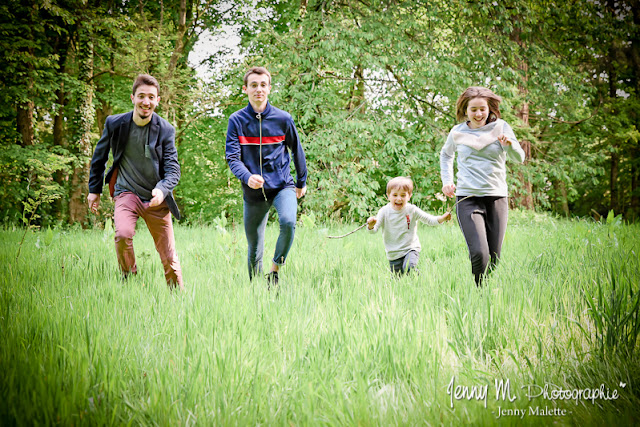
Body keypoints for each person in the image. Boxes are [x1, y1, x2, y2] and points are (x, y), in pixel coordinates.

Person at [87, 74, 184, 290]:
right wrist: (94, 190)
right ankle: (129, 280)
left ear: (158, 100)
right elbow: (99, 157)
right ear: (133, 98)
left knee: (169, 256)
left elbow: (173, 170)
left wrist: (161, 190)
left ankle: (177, 296)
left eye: (151, 97)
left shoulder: (166, 130)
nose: (146, 102)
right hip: (126, 192)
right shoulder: (115, 124)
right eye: (141, 96)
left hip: (155, 199)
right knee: (122, 234)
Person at [225, 66, 308, 286]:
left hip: (282, 186)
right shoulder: (237, 120)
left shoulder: (283, 119)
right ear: (245, 89)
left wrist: (302, 182)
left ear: (269, 88)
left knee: (289, 222)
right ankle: (255, 291)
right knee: (254, 249)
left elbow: (297, 151)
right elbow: (232, 158)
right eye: (253, 85)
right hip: (253, 192)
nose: (258, 89)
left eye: (263, 85)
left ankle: (275, 271)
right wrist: (247, 176)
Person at [440, 86, 525, 286]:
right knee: (479, 252)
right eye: (473, 109)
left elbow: (519, 158)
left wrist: (509, 146)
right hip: (467, 197)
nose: (478, 114)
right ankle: (480, 291)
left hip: (496, 197)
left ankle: (487, 288)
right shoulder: (457, 132)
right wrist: (447, 181)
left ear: (490, 109)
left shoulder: (501, 127)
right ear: (465, 111)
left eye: (482, 109)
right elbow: (446, 155)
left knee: (494, 257)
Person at [367, 177, 451, 275]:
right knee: (397, 280)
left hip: (410, 249)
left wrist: (442, 218)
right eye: (395, 195)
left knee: (409, 267)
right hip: (393, 253)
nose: (399, 198)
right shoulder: (384, 212)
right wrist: (371, 226)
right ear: (388, 196)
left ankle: (418, 280)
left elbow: (429, 219)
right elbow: (373, 230)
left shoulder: (412, 210)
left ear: (409, 196)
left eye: (403, 195)